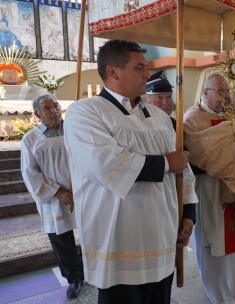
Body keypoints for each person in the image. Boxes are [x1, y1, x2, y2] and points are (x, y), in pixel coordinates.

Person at [63, 39, 191, 304]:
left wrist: (189, 215)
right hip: (120, 241)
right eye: (139, 67)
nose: (147, 74)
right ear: (113, 71)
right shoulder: (85, 113)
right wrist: (167, 163)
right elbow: (106, 163)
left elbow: (183, 172)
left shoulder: (160, 117)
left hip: (163, 236)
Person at [183, 73, 235, 304]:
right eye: (219, 91)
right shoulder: (193, 119)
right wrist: (228, 163)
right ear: (205, 93)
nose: (225, 96)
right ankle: (218, 294)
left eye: (227, 91)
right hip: (212, 194)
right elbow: (201, 154)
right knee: (215, 244)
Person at [21, 94, 84, 299]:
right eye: (47, 108)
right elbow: (30, 173)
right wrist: (59, 192)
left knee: (89, 233)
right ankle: (74, 278)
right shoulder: (31, 139)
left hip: (84, 192)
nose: (53, 110)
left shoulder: (77, 131)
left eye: (55, 105)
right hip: (54, 198)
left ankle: (91, 270)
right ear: (38, 114)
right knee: (61, 240)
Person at [145, 70, 197, 239]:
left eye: (168, 96)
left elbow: (186, 168)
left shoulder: (176, 126)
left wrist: (189, 212)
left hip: (176, 199)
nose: (166, 102)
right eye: (159, 97)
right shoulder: (139, 128)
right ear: (145, 99)